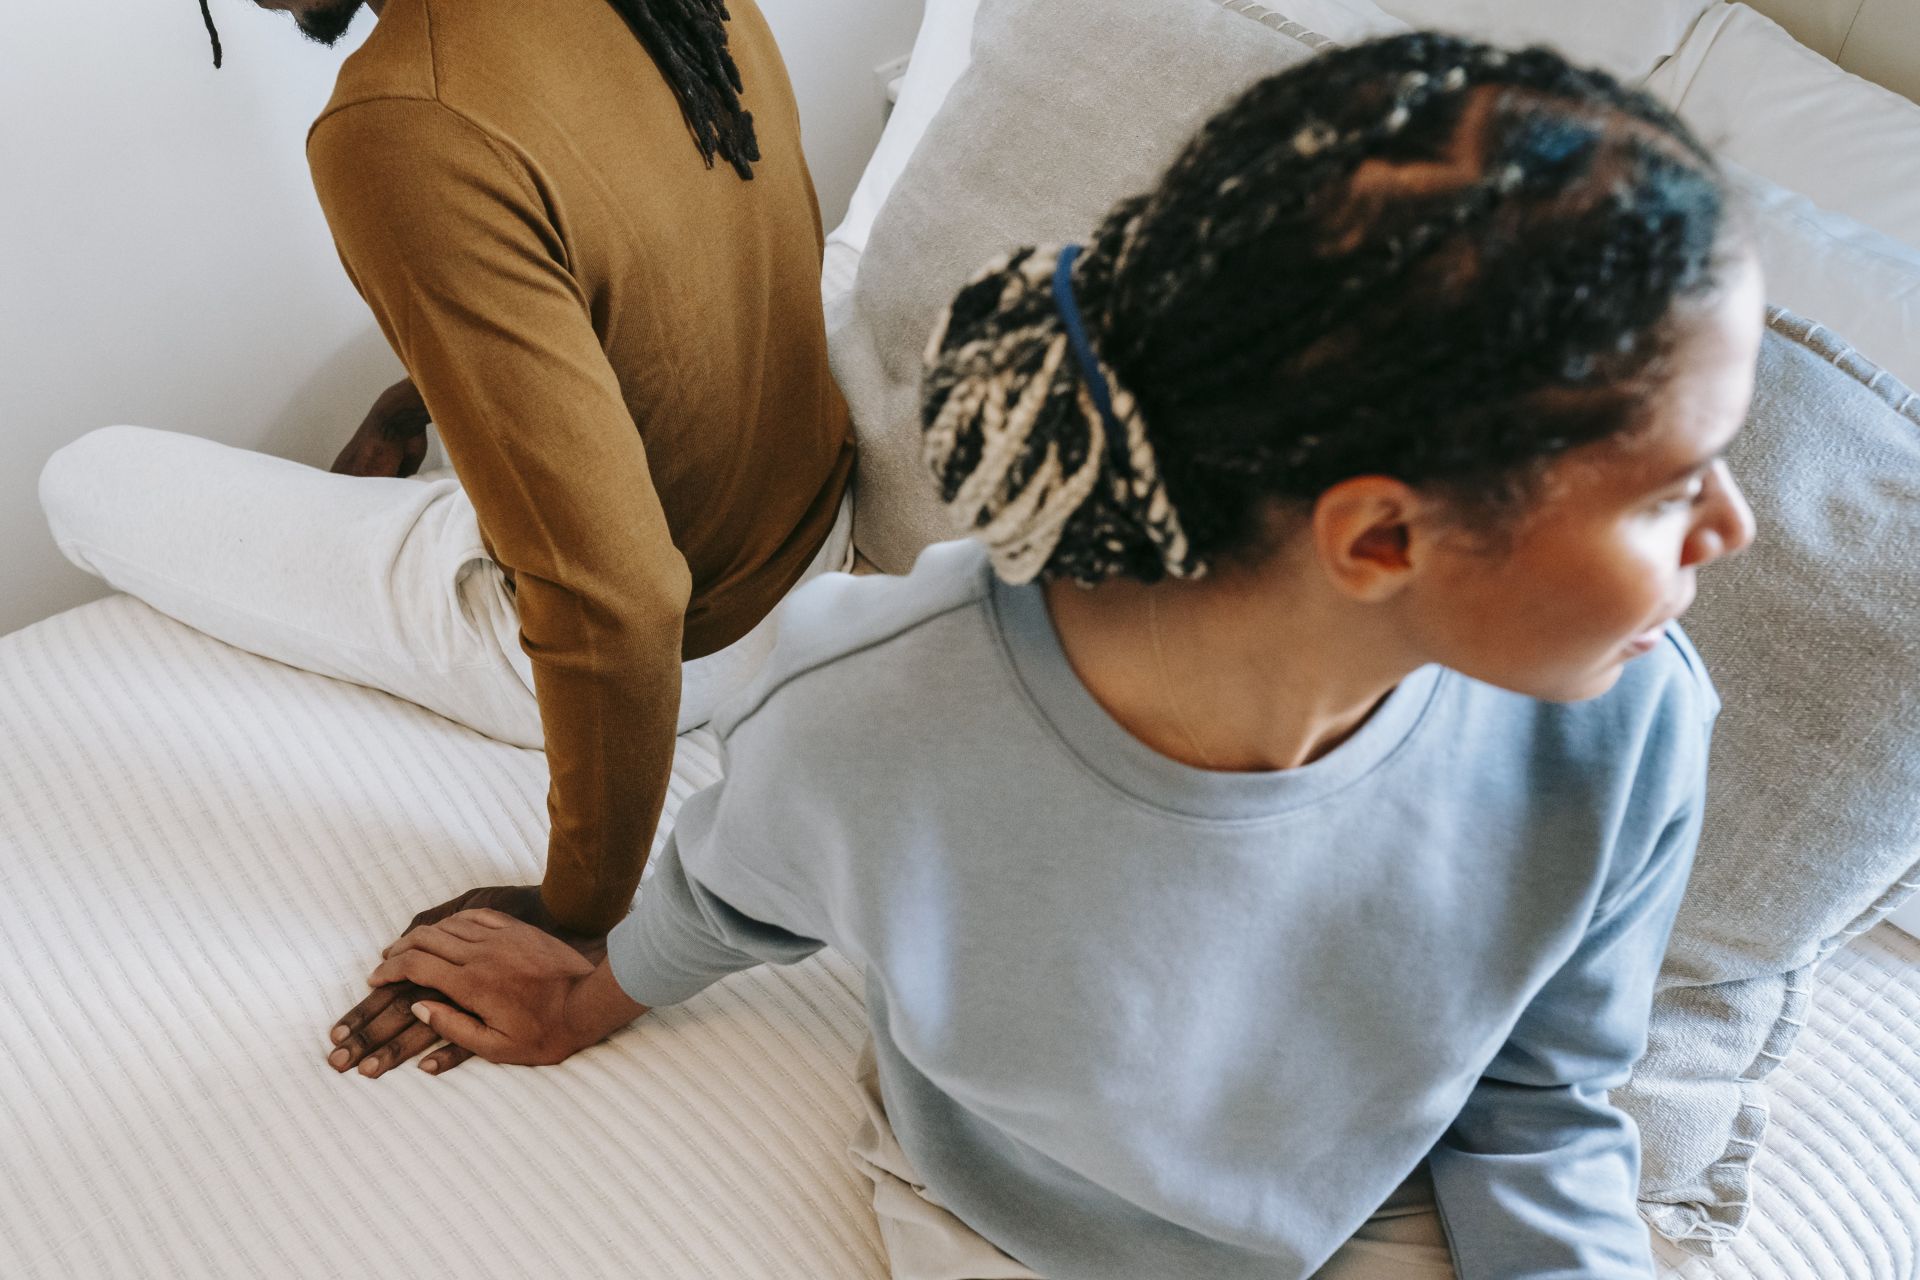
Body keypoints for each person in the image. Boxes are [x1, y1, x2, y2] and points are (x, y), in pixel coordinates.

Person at [344, 32, 1761, 1280]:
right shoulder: (879, 707)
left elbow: (1539, 1104)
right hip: (1012, 1227)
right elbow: (738, 884)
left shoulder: (1632, 730)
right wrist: (593, 987)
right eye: (1668, 488)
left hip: (1376, 1217)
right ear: (1381, 538)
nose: (1735, 527)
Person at [36, 0, 853, 1079]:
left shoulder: (398, 116)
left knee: (85, 478)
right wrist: (424, 393)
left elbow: (617, 593)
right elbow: (639, 260)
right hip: (819, 540)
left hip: (672, 646)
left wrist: (577, 908)